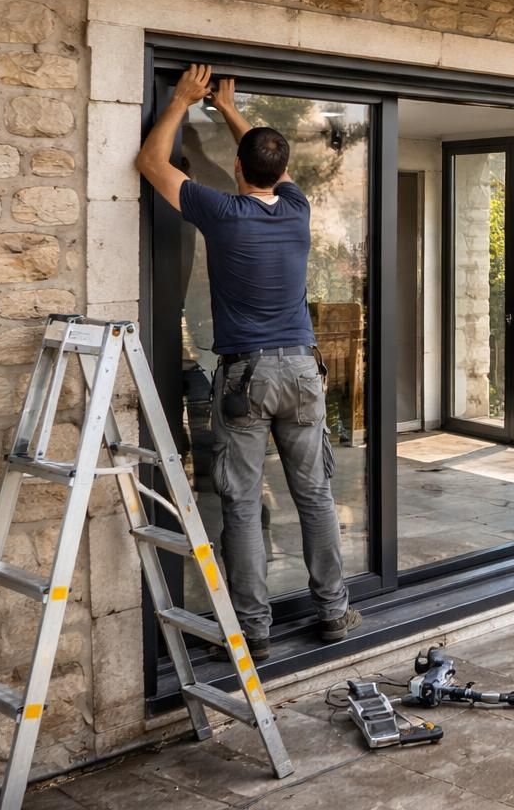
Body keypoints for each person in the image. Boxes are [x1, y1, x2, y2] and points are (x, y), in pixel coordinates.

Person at [136, 64, 360, 660]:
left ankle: (253, 630)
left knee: (240, 502)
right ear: (279, 170)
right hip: (302, 372)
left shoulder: (222, 213)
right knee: (314, 496)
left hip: (247, 377)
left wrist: (183, 100)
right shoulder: (296, 208)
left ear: (237, 169)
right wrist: (233, 111)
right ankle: (333, 612)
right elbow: (269, 164)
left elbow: (151, 163)